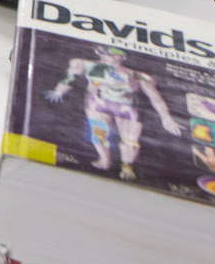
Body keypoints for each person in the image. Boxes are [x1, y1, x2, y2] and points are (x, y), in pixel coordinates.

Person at [44, 44, 182, 181]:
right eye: (105, 52)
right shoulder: (85, 65)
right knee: (99, 134)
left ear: (123, 57)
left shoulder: (136, 75)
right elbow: (69, 77)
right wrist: (59, 91)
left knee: (130, 140)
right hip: (98, 103)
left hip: (125, 107)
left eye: (114, 53)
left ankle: (127, 166)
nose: (109, 56)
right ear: (99, 53)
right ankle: (104, 160)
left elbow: (155, 97)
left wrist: (166, 117)